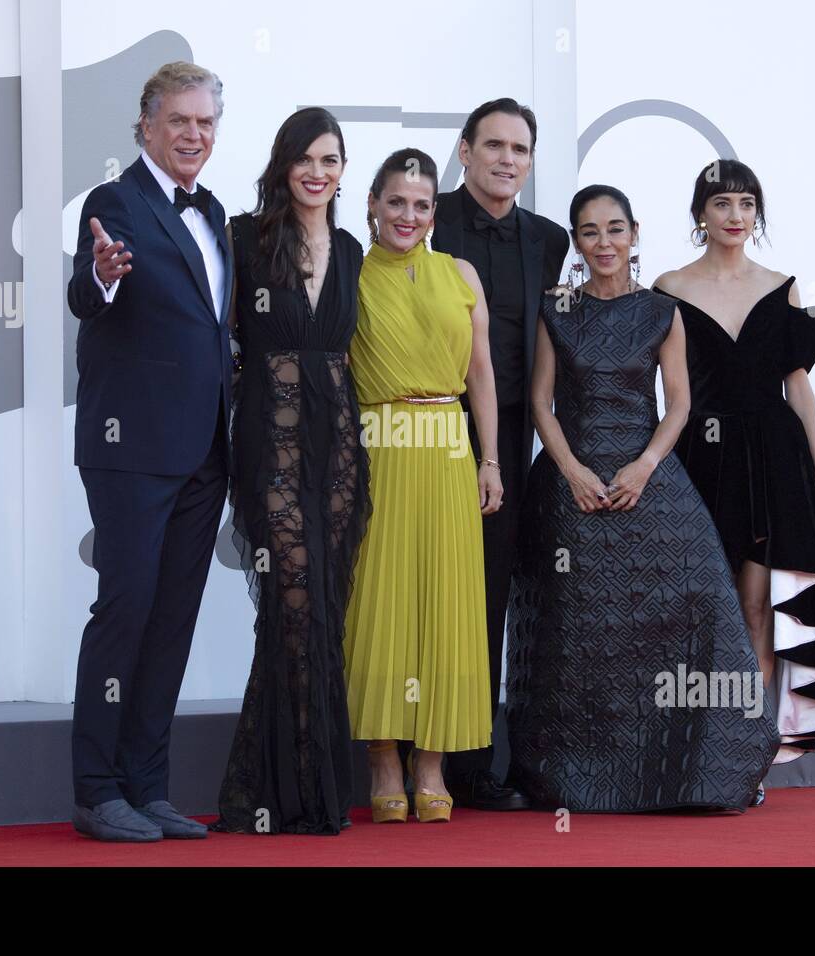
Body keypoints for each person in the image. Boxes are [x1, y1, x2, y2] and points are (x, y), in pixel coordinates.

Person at [507, 185, 777, 811]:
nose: (604, 243)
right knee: (576, 634)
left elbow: (679, 403)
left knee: (702, 602)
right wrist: (571, 469)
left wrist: (645, 465)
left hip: (647, 477)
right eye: (589, 232)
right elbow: (542, 403)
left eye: (614, 229)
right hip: (571, 487)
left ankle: (700, 771)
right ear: (576, 242)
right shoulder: (558, 309)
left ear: (634, 235)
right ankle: (572, 774)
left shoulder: (661, 311)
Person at [652, 159, 815, 793]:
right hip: (700, 456)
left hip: (774, 458)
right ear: (700, 213)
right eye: (722, 204)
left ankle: (743, 752)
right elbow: (670, 389)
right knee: (705, 604)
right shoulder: (669, 286)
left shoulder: (783, 288)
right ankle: (694, 743)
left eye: (747, 205)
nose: (735, 216)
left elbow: (798, 387)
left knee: (756, 605)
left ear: (757, 215)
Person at [66, 62, 233, 841]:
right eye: (180, 122)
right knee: (125, 615)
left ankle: (148, 785)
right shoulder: (114, 203)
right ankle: (98, 790)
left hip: (204, 452)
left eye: (205, 122)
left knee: (172, 623)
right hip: (130, 448)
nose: (194, 135)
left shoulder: (218, 213)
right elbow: (86, 293)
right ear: (146, 126)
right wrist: (101, 277)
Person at [211, 108, 369, 835]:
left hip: (337, 446)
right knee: (294, 603)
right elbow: (219, 339)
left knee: (320, 613)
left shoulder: (352, 248)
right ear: (283, 164)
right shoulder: (244, 238)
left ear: (343, 171)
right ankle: (287, 788)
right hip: (270, 445)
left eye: (330, 160)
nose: (318, 172)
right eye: (305, 158)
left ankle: (288, 785)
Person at [343, 148, 502, 823]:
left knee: (445, 603)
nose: (408, 215)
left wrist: (489, 460)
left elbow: (483, 376)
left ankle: (431, 762)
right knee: (381, 603)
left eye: (422, 204)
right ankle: (384, 759)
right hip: (377, 451)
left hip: (446, 450)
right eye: (396, 202)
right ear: (373, 205)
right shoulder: (345, 275)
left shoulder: (460, 275)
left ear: (436, 212)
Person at [427, 98, 568, 811]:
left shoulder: (549, 240)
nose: (507, 158)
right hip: (427, 429)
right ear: (465, 150)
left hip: (507, 438)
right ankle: (410, 756)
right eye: (494, 146)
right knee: (426, 587)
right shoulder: (429, 218)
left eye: (520, 148)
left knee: (487, 593)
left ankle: (475, 764)